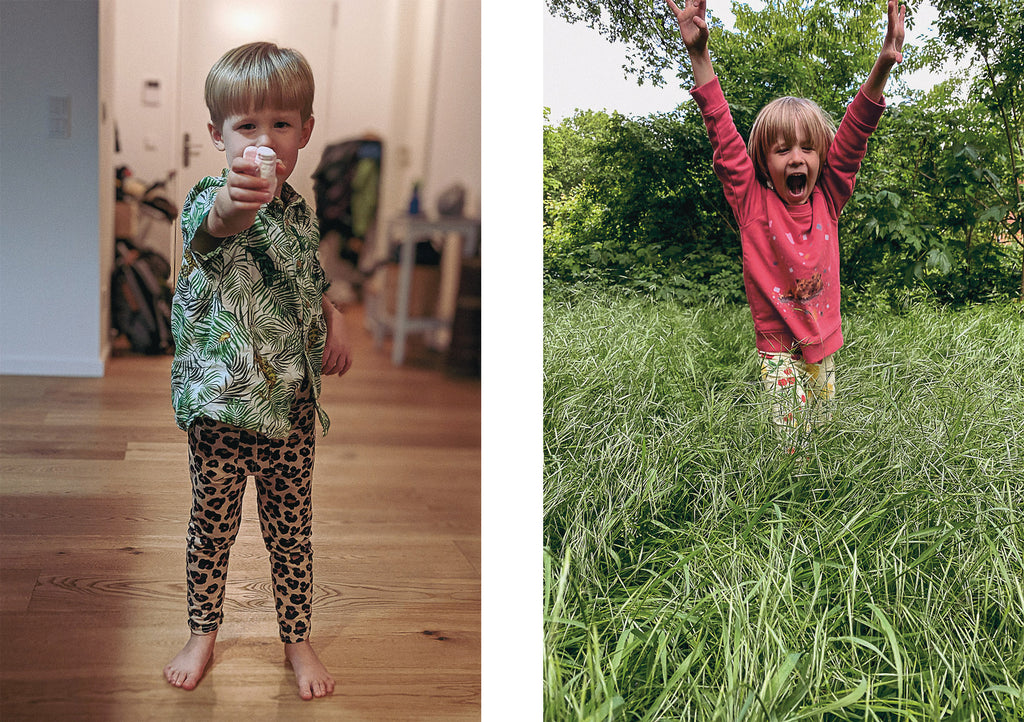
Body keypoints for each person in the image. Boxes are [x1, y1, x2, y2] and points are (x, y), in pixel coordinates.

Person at [163, 41, 352, 700]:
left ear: (305, 130)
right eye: (246, 126)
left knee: (292, 531)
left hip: (290, 412)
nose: (264, 139)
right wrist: (238, 202)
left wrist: (337, 316)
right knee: (211, 526)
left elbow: (308, 274)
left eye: (280, 123)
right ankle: (202, 631)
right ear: (217, 133)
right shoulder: (213, 196)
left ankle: (297, 639)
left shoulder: (299, 208)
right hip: (224, 409)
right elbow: (217, 229)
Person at [668, 0, 905, 443]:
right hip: (778, 351)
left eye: (806, 149)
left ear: (821, 157)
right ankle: (787, 502)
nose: (796, 157)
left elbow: (855, 134)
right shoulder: (751, 203)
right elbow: (723, 136)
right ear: (764, 160)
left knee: (822, 437)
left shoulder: (829, 198)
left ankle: (820, 495)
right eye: (781, 149)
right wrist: (699, 55)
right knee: (789, 443)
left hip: (824, 344)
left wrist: (884, 64)